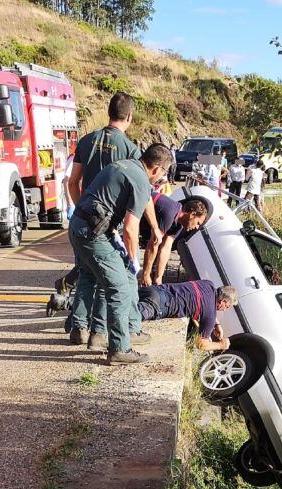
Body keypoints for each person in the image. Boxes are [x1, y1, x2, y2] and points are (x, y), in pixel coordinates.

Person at [64, 93, 163, 346]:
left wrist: (83, 209)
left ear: (109, 112)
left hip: (84, 218)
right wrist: (153, 226)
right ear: (129, 116)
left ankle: (79, 327)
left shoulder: (86, 141)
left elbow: (72, 182)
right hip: (111, 223)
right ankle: (107, 332)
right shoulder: (130, 149)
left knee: (87, 272)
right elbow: (142, 194)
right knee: (116, 278)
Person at [69, 143, 172, 365]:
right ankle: (119, 349)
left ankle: (99, 334)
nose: (161, 178)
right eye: (164, 173)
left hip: (81, 227)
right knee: (120, 287)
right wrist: (133, 260)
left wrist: (154, 228)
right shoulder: (141, 180)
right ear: (157, 169)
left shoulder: (124, 165)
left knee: (107, 278)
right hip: (94, 234)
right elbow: (130, 228)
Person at [136, 280, 237, 351]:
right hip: (158, 305)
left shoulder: (208, 284)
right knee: (127, 319)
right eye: (226, 307)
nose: (224, 310)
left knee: (122, 304)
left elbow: (206, 303)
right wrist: (221, 345)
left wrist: (217, 324)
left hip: (154, 290)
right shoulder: (209, 315)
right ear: (223, 301)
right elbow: (201, 345)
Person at [141, 197, 209, 286]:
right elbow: (154, 243)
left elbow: (166, 248)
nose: (196, 227)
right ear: (192, 214)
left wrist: (158, 278)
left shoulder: (178, 225)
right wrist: (146, 274)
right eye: (198, 223)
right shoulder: (170, 213)